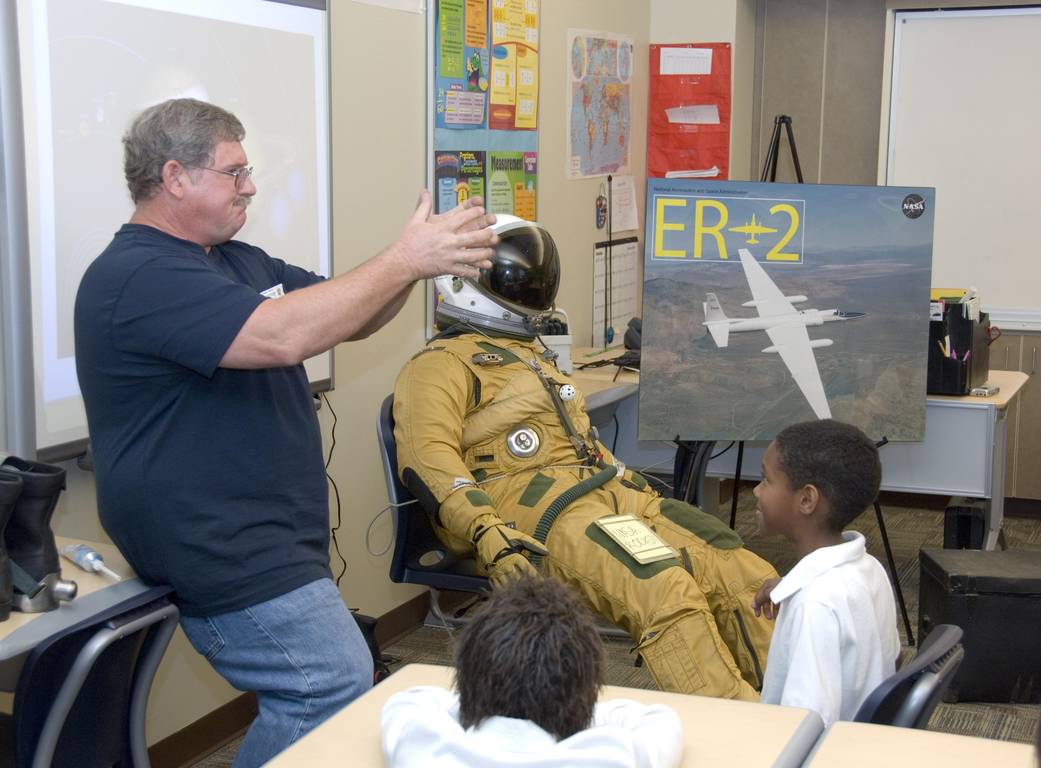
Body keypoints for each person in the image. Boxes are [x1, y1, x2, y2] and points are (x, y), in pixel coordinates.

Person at [73, 98, 497, 767]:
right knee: (325, 684)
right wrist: (405, 258)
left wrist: (413, 266)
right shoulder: (137, 275)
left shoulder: (233, 260)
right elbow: (284, 335)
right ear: (176, 176)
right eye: (233, 172)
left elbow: (346, 317)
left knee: (327, 684)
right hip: (213, 543)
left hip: (267, 535)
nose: (249, 185)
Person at [392, 215, 777, 702]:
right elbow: (428, 460)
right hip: (525, 507)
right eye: (514, 276)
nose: (526, 286)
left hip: (600, 491)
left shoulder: (530, 352)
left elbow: (576, 438)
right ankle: (738, 739)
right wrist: (485, 529)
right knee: (662, 590)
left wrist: (623, 481)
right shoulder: (439, 365)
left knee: (739, 568)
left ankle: (789, 711)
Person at [381, 574, 684, 768]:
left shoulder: (424, 750)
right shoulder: (611, 756)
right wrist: (579, 711)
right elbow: (662, 721)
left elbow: (408, 701)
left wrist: (477, 702)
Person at [751, 419, 900, 727]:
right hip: (858, 743)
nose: (756, 490)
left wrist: (802, 599)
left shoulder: (814, 606)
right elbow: (894, 658)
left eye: (766, 480)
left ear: (807, 499)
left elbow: (803, 726)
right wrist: (790, 587)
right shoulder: (869, 569)